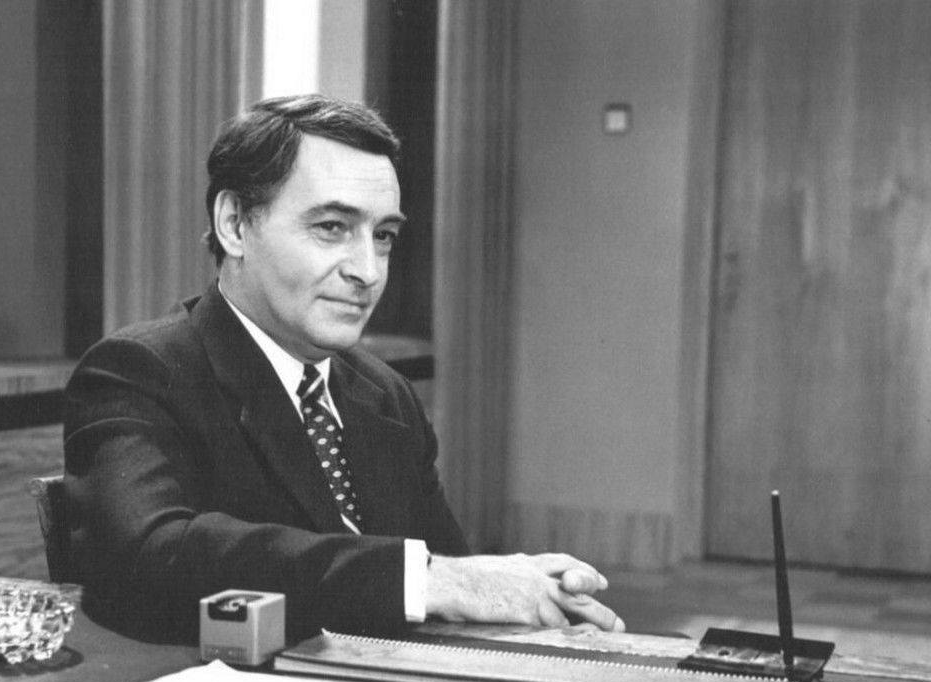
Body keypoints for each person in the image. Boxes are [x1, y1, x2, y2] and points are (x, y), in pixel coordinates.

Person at [62, 94, 623, 641]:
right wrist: (428, 580)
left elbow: (448, 579)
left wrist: (526, 590)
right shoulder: (140, 371)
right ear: (234, 224)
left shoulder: (385, 394)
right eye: (332, 227)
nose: (368, 271)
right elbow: (145, 559)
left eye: (383, 237)